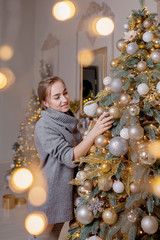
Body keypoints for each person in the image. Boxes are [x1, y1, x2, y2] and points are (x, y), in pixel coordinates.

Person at [28, 76, 113, 240]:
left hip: (62, 192)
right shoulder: (44, 125)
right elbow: (69, 156)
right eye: (56, 97)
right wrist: (94, 133)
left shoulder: (65, 118)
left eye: (65, 93)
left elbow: (79, 150)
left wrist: (90, 134)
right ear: (45, 103)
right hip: (48, 193)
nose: (64, 99)